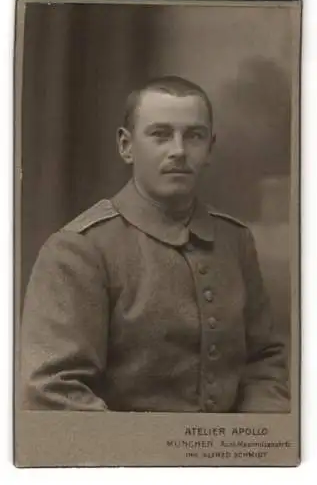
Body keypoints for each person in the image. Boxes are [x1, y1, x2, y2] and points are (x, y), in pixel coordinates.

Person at [21, 75, 289, 413]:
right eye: (160, 135)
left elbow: (264, 363)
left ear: (210, 149)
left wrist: (252, 447)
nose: (178, 150)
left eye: (194, 136)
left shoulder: (235, 241)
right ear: (126, 146)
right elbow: (52, 392)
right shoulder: (77, 251)